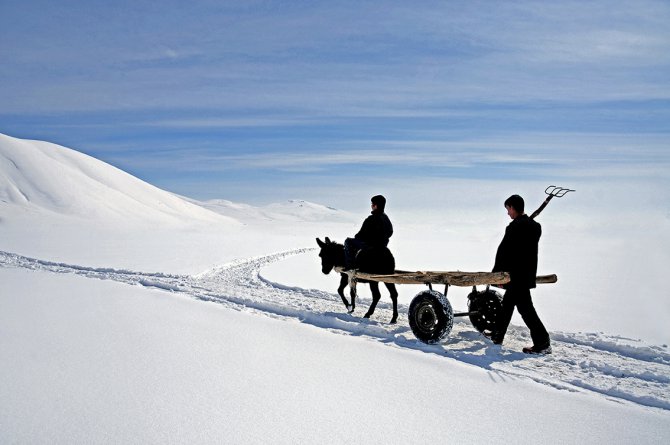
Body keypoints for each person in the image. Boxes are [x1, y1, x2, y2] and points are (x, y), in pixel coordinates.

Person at [489, 194, 551, 354]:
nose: (507, 213)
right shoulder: (535, 227)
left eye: (508, 209)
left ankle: (543, 342)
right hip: (526, 274)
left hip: (514, 276)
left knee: (526, 310)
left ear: (512, 207)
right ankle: (497, 335)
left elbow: (503, 253)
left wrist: (497, 277)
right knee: (507, 306)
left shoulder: (513, 228)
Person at [344, 195, 393, 270]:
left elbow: (360, 235)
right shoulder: (386, 218)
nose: (371, 206)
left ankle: (351, 266)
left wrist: (358, 238)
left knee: (348, 242)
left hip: (371, 247)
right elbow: (390, 232)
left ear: (375, 206)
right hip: (382, 246)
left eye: (372, 204)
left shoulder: (371, 219)